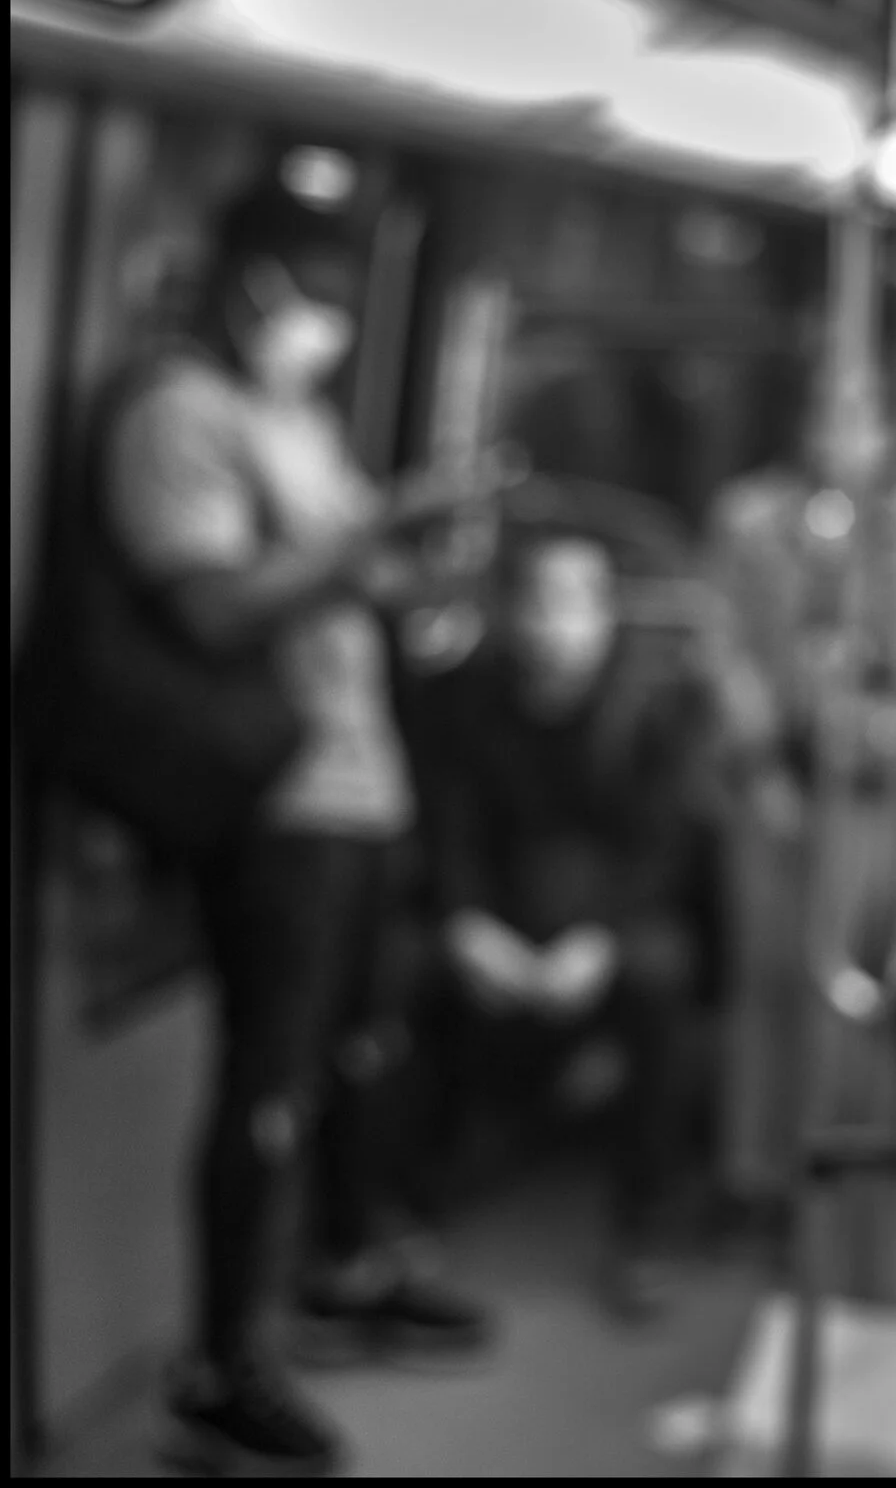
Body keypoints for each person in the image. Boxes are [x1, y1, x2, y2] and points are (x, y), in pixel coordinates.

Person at [101, 184, 497, 1477]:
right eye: (311, 297)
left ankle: (340, 1267)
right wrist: (363, 540)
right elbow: (213, 608)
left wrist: (417, 556)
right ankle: (220, 1362)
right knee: (266, 1081)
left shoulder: (297, 421)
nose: (323, 326)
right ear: (251, 287)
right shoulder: (178, 416)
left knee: (359, 1048)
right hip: (275, 804)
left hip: (362, 783)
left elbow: (362, 580)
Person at [417, 527, 712, 1320]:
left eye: (575, 601)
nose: (554, 622)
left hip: (609, 919)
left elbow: (664, 848)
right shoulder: (471, 700)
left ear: (607, 611)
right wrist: (464, 922)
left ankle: (645, 1221)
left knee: (661, 976)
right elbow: (453, 826)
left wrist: (603, 937)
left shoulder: (652, 703)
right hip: (503, 911)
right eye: (537, 600)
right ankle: (414, 1196)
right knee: (405, 971)